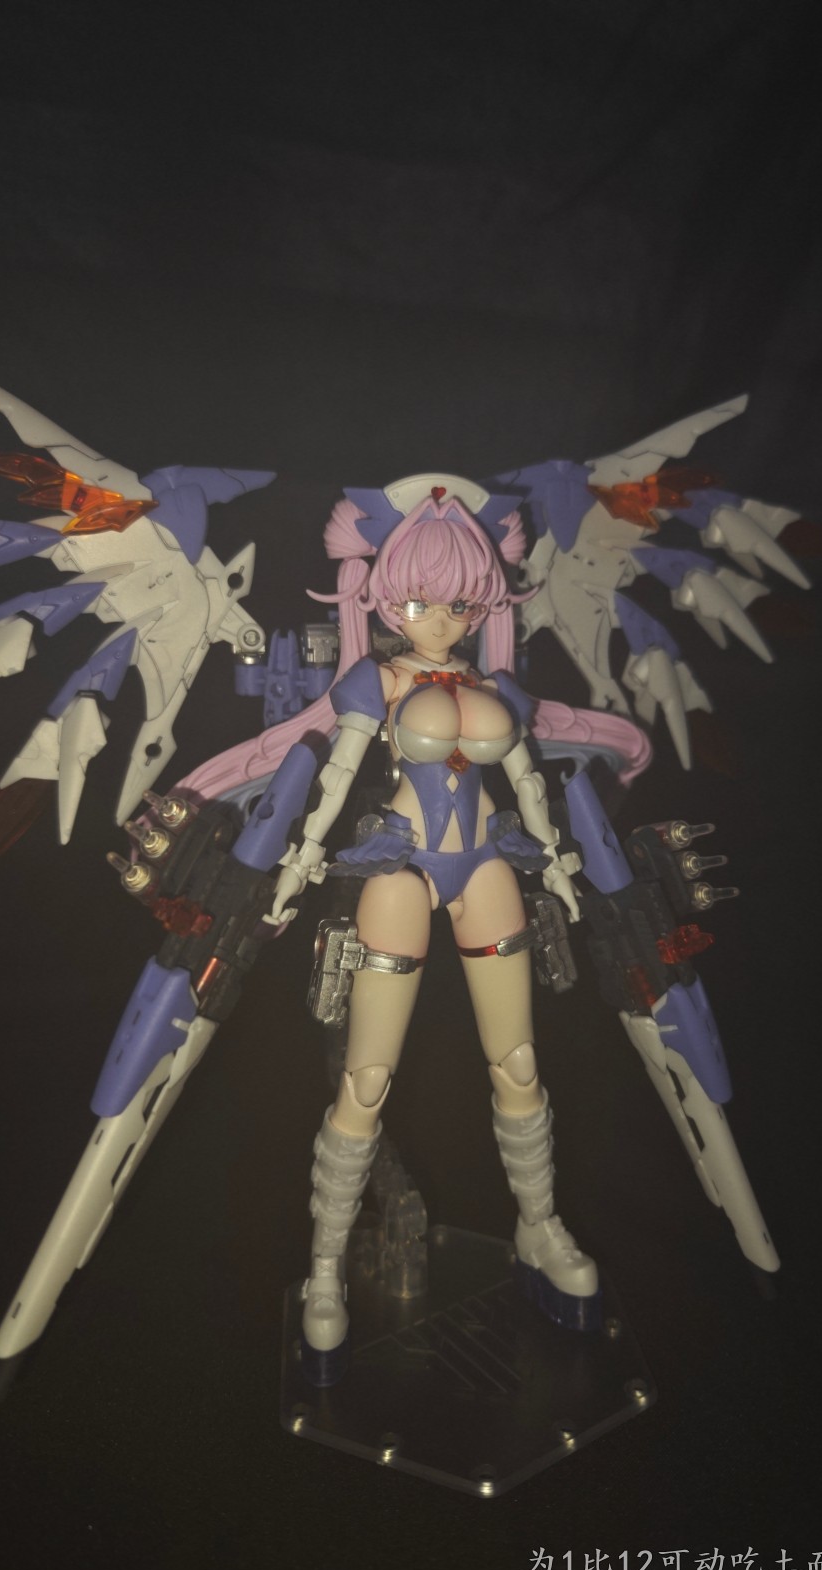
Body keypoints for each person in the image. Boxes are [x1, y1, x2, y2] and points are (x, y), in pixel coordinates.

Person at [179, 476, 651, 1383]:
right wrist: (297, 864)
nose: (440, 619)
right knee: (367, 1078)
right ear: (385, 596)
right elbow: (332, 778)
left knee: (519, 1065)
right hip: (400, 866)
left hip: (489, 864)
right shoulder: (377, 678)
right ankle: (325, 1267)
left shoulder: (494, 684)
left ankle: (539, 1226)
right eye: (420, 601)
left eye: (460, 603)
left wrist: (558, 861)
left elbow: (526, 782)